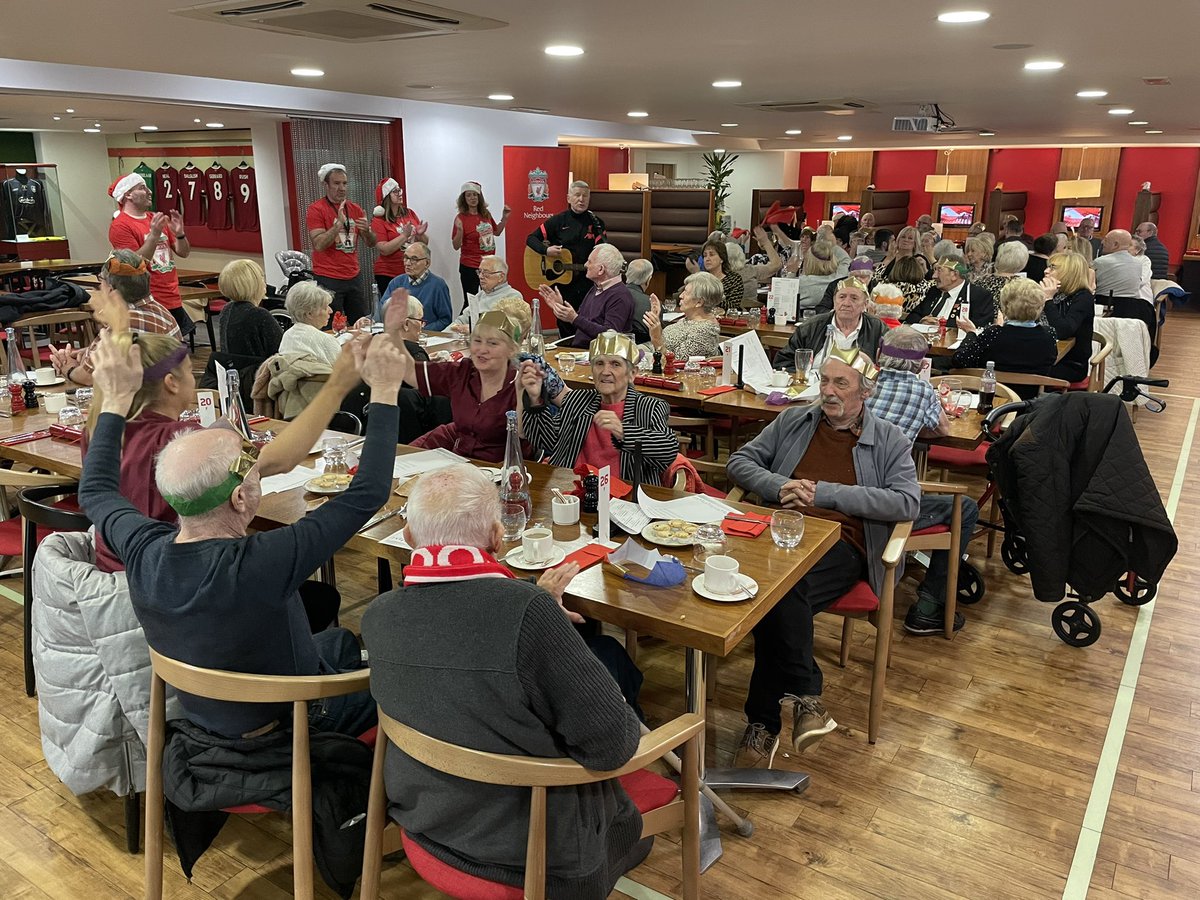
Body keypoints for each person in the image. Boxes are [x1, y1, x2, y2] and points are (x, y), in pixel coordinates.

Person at [79, 327, 406, 741]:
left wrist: (114, 401)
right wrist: (386, 390)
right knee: (405, 678)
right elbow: (369, 492)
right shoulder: (265, 560)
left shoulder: (143, 551)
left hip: (207, 717)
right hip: (293, 722)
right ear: (239, 499)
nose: (258, 466)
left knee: (339, 640)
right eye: (252, 469)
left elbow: (95, 490)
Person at [361, 464, 648, 899]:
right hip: (536, 853)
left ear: (409, 538)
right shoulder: (526, 612)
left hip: (423, 820)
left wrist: (539, 613)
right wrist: (545, 618)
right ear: (497, 537)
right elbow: (614, 746)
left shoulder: (377, 617)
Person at [726, 347, 920, 767]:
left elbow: (907, 502)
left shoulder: (889, 439)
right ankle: (806, 695)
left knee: (775, 596)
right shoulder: (795, 420)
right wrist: (779, 486)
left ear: (865, 392)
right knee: (780, 595)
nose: (828, 392)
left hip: (842, 545)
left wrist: (826, 493)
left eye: (840, 384)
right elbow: (740, 461)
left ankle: (762, 725)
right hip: (779, 534)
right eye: (825, 381)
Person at [866, 326, 979, 634]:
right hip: (884, 507)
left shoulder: (864, 383)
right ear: (919, 364)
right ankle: (929, 605)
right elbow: (942, 429)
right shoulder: (921, 390)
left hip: (851, 490)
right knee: (966, 508)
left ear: (880, 355)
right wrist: (912, 429)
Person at [521, 331, 677, 482]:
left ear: (632, 374)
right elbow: (547, 442)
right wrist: (535, 401)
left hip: (625, 498)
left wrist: (624, 432)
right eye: (599, 364)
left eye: (615, 364)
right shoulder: (577, 400)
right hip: (572, 491)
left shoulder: (650, 407)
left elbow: (668, 450)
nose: (605, 371)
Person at [392, 304, 524, 462]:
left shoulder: (521, 382)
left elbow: (524, 436)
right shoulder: (463, 370)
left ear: (511, 350)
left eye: (492, 343)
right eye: (477, 341)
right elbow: (413, 373)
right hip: (460, 461)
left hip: (503, 468)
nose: (482, 349)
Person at [50, 250, 182, 387]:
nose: (99, 289)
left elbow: (89, 378)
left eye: (101, 281)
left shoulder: (123, 324)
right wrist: (89, 351)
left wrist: (68, 368)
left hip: (140, 403)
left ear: (111, 290)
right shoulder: (161, 312)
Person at [107, 172, 193, 337]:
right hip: (147, 300)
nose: (149, 191)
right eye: (142, 188)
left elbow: (184, 252)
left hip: (172, 295)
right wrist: (153, 236)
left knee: (178, 354)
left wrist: (180, 234)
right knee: (157, 355)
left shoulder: (156, 218)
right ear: (128, 195)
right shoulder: (120, 226)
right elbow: (134, 265)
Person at [951, 278, 1057, 395]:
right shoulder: (1049, 334)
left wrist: (971, 333)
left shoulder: (994, 334)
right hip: (1030, 403)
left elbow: (959, 360)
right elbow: (1050, 361)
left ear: (1005, 306)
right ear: (1040, 306)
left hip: (994, 399)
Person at [525, 181, 607, 333]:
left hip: (587, 283)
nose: (581, 199)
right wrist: (546, 250)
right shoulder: (558, 221)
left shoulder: (596, 224)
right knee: (565, 322)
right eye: (577, 195)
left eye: (585, 196)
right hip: (563, 283)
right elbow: (531, 239)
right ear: (569, 198)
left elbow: (603, 250)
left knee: (587, 320)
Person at [305, 163, 377, 322]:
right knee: (329, 325)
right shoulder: (316, 209)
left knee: (361, 323)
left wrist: (367, 230)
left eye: (344, 183)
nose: (342, 188)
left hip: (353, 276)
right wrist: (337, 226)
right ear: (326, 185)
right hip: (328, 277)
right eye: (336, 183)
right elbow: (318, 244)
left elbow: (371, 243)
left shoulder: (355, 208)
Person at [775, 277, 886, 372]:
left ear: (865, 304)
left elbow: (889, 367)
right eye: (842, 297)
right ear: (834, 301)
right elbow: (783, 362)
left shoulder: (877, 329)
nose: (846, 303)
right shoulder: (811, 327)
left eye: (854, 298)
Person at [539, 243, 634, 349]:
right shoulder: (595, 288)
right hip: (578, 352)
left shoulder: (620, 296)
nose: (585, 265)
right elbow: (580, 325)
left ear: (601, 269)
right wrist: (561, 308)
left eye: (589, 262)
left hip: (595, 358)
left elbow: (610, 336)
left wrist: (574, 318)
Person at [1040, 250, 1096, 384]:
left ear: (1069, 273)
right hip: (1044, 354)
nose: (1046, 271)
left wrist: (1048, 300)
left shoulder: (1083, 297)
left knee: (1022, 371)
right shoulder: (1056, 293)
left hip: (1070, 364)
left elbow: (1063, 331)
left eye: (1052, 268)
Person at [452, 180, 510, 302]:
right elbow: (456, 246)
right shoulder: (461, 218)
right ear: (464, 199)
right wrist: (460, 230)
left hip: (489, 265)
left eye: (475, 194)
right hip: (470, 267)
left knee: (489, 299)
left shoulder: (485, 214)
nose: (472, 198)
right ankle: (464, 321)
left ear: (479, 196)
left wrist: (504, 218)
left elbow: (497, 232)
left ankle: (485, 321)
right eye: (468, 195)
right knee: (471, 302)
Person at [642, 271, 722, 359]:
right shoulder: (688, 319)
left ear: (699, 302)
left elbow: (675, 363)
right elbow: (665, 343)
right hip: (649, 353)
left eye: (686, 293)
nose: (680, 295)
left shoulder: (706, 331)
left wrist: (656, 338)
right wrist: (656, 320)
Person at [904, 255, 996, 331]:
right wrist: (921, 321)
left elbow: (979, 327)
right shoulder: (934, 291)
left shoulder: (978, 295)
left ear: (954, 275)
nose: (934, 276)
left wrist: (939, 325)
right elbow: (912, 316)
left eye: (939, 270)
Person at [371, 177, 427, 298]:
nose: (399, 194)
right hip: (389, 273)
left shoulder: (409, 213)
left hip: (412, 271)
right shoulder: (379, 220)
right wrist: (404, 235)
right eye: (395, 191)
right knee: (396, 311)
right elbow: (384, 249)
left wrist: (420, 234)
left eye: (399, 190)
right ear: (386, 196)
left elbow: (424, 244)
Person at [216, 259, 282, 359]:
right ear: (253, 284)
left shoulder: (227, 310)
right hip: (259, 372)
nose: (265, 283)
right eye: (261, 278)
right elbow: (281, 350)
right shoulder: (259, 315)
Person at [379, 242, 453, 331]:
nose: (407, 263)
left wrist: (419, 331)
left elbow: (445, 320)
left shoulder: (438, 285)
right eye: (406, 258)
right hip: (399, 336)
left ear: (427, 263)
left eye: (414, 259)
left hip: (426, 338)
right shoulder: (396, 282)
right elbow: (382, 311)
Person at [449, 255, 522, 333]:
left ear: (501, 277)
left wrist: (473, 330)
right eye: (479, 272)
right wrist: (441, 336)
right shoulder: (479, 296)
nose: (480, 276)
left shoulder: (513, 297)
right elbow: (461, 321)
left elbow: (505, 329)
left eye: (486, 273)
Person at [281, 281, 342, 366]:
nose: (330, 311)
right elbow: (344, 373)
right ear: (309, 314)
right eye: (325, 308)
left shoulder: (287, 336)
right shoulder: (326, 340)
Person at [791, 241, 844, 312]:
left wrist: (791, 273)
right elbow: (846, 259)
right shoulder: (841, 281)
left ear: (809, 261)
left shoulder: (800, 283)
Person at [1093, 229, 1143, 298]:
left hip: (1104, 304)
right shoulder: (1138, 264)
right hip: (1132, 306)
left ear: (1115, 245)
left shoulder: (1100, 262)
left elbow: (1089, 285)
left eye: (1106, 240)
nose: (1102, 242)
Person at [624, 258, 655, 343]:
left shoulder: (612, 295)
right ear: (648, 280)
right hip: (642, 348)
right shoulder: (651, 303)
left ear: (627, 275)